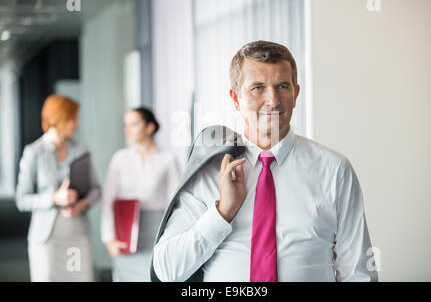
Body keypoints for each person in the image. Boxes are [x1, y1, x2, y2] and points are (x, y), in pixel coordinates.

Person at [152, 40, 379, 282]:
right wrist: (222, 213)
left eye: (282, 86)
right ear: (236, 99)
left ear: (296, 94)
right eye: (257, 88)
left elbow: (358, 273)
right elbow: (167, 270)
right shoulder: (209, 170)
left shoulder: (334, 169)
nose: (272, 100)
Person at [16, 94, 100, 282]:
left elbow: (96, 189)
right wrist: (54, 199)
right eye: (73, 119)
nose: (77, 124)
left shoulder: (81, 149)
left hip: (77, 233)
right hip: (47, 237)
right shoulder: (34, 152)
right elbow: (22, 199)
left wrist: (83, 204)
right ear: (59, 119)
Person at [101, 107, 180, 281]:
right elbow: (108, 201)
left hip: (157, 233)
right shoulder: (120, 158)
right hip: (125, 234)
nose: (127, 130)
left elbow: (175, 203)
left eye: (133, 124)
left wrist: (172, 237)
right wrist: (109, 239)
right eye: (126, 125)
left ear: (149, 127)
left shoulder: (167, 159)